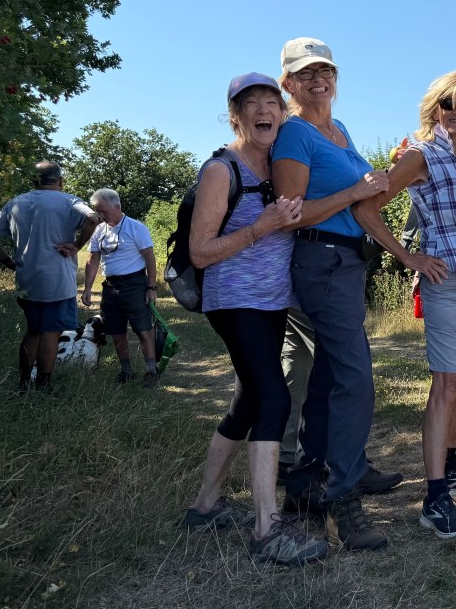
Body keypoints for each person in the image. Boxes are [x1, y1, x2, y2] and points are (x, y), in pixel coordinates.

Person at [183, 72, 327, 567]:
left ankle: (206, 506)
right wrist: (260, 228)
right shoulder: (221, 170)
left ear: (282, 113)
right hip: (233, 300)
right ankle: (267, 529)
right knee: (274, 398)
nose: (264, 110)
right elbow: (200, 252)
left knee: (248, 402)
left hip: (272, 302)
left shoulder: (282, 166)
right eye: (252, 104)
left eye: (272, 102)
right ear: (235, 117)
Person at [353, 71, 456, 540]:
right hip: (445, 281)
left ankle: (450, 466)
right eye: (449, 104)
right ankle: (434, 499)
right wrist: (408, 256)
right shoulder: (421, 156)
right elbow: (366, 209)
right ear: (434, 108)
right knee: (446, 383)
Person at [272, 37, 390, 552]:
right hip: (319, 260)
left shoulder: (338, 129)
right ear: (288, 84)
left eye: (326, 71)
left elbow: (358, 195)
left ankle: (306, 483)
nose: (319, 80)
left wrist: (378, 179)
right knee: (354, 377)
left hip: (347, 262)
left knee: (326, 377)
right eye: (306, 73)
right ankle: (344, 496)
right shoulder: (294, 133)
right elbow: (290, 214)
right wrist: (355, 191)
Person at [0, 161, 98, 390]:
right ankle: (43, 384)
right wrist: (77, 245)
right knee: (51, 333)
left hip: (27, 280)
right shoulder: (69, 201)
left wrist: (7, 261)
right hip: (58, 281)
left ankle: (24, 382)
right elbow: (93, 218)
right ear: (60, 181)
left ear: (34, 181)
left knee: (33, 330)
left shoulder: (16, 203)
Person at [277, 306, 404, 496]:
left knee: (297, 354)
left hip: (284, 292)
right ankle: (350, 467)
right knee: (341, 360)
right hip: (317, 291)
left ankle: (286, 457)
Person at [81, 188, 161, 388]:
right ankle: (126, 371)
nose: (101, 215)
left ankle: (152, 371)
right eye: (98, 211)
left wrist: (151, 287)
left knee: (144, 330)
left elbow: (150, 258)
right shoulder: (99, 230)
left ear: (117, 207)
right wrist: (87, 288)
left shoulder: (136, 227)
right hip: (111, 287)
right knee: (116, 332)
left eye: (104, 211)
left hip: (135, 285)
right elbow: (93, 260)